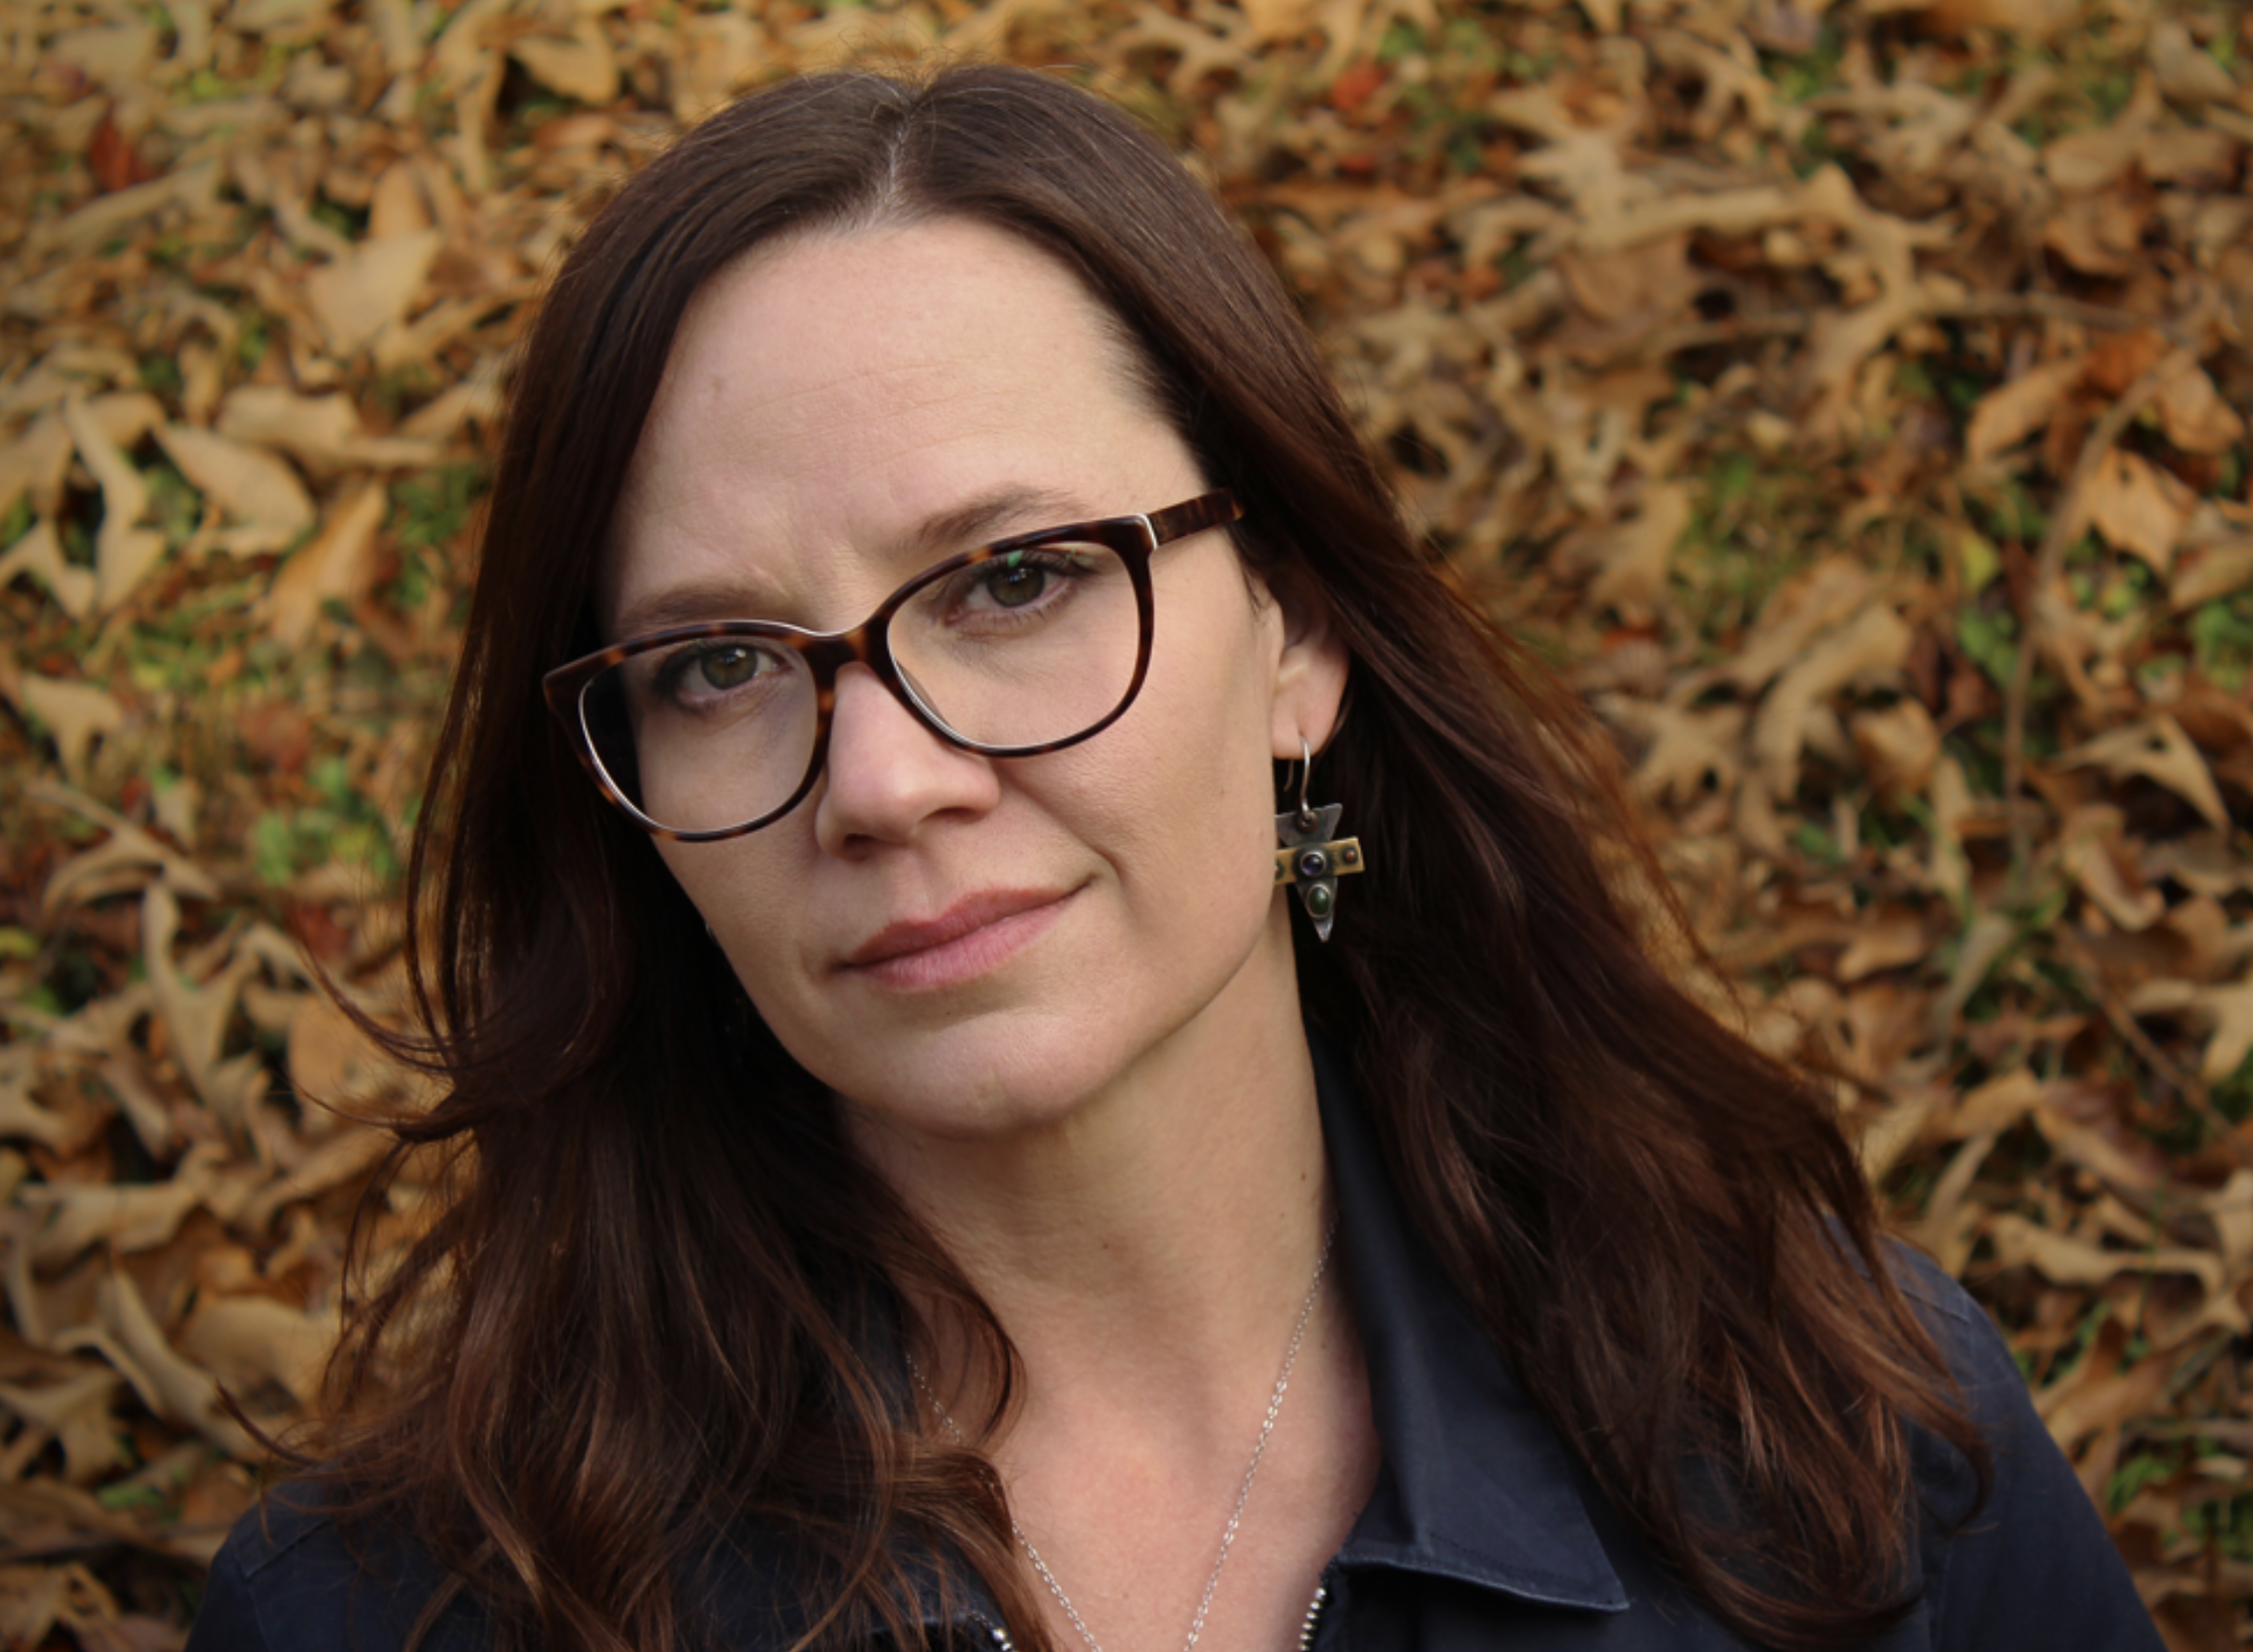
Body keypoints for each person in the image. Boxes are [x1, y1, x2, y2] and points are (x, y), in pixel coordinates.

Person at [188, 63, 2163, 1652]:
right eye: (717, 664)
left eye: (1014, 578)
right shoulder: (388, 1613)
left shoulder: (1841, 1430)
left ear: (1293, 636)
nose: (877, 780)